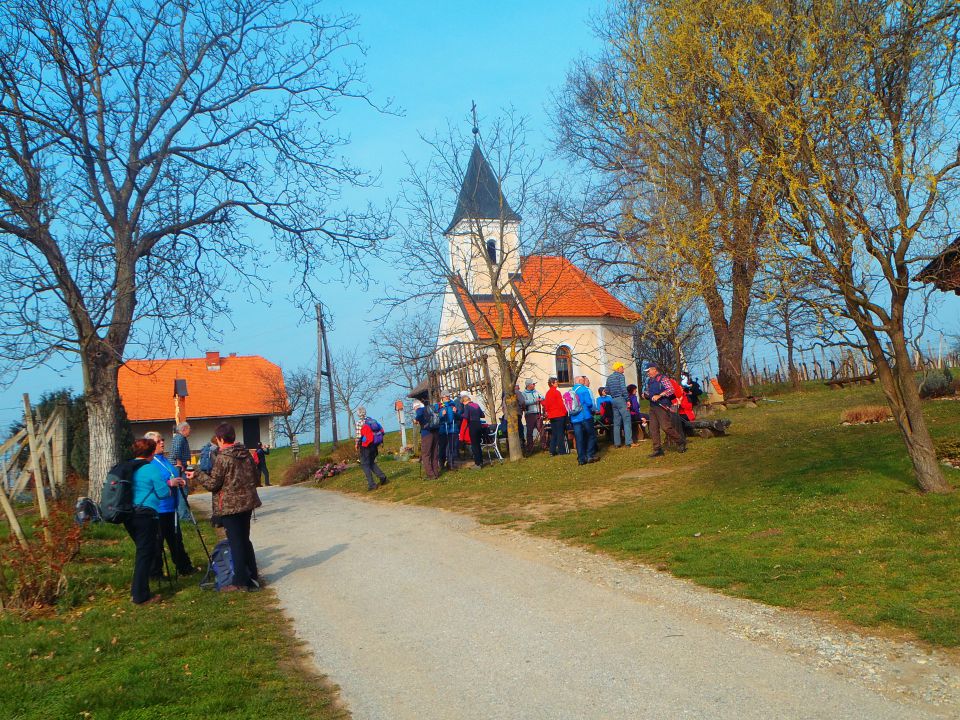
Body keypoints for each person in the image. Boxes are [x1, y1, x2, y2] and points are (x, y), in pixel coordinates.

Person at [187, 423, 262, 591]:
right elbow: (256, 476)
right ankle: (253, 575)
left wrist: (197, 473)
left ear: (221, 439)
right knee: (244, 540)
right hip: (247, 503)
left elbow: (213, 484)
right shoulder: (246, 454)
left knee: (236, 543)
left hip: (230, 506)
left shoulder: (223, 458)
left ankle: (240, 581)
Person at [124, 438, 182, 604]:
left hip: (128, 514)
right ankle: (140, 595)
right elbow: (163, 493)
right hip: (145, 514)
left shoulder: (128, 467)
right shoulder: (150, 469)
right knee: (145, 554)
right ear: (150, 453)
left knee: (142, 552)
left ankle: (138, 590)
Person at [144, 432, 194, 578]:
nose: (162, 443)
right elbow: (149, 484)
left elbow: (171, 474)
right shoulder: (149, 462)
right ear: (150, 444)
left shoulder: (163, 459)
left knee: (176, 539)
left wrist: (178, 480)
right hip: (158, 508)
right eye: (158, 441)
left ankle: (184, 567)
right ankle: (156, 573)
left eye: (162, 439)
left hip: (171, 507)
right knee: (157, 542)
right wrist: (168, 483)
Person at [643, 364, 687, 458]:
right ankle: (657, 449)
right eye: (647, 372)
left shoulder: (663, 378)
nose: (647, 373)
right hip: (652, 407)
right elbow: (648, 392)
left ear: (654, 370)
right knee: (653, 429)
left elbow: (671, 390)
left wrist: (660, 395)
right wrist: (645, 394)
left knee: (666, 427)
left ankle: (680, 442)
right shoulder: (650, 381)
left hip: (662, 406)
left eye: (648, 371)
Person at [355, 406, 388, 490]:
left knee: (365, 464)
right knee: (371, 462)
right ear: (365, 412)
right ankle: (382, 477)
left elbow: (359, 436)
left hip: (365, 446)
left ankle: (372, 485)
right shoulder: (371, 420)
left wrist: (356, 444)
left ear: (358, 414)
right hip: (374, 444)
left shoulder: (359, 423)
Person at [570, 376, 599, 465]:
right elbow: (589, 403)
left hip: (575, 418)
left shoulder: (571, 390)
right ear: (579, 381)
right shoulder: (583, 389)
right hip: (585, 416)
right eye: (583, 380)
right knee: (591, 435)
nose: (584, 381)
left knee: (579, 438)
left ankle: (581, 459)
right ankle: (589, 455)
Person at [605, 362, 632, 449]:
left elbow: (606, 391)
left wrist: (613, 392)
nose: (623, 369)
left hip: (613, 400)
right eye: (622, 367)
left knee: (616, 422)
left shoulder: (609, 378)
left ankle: (617, 443)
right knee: (627, 420)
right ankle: (629, 442)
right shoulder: (620, 376)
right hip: (621, 399)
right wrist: (627, 399)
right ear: (617, 369)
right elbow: (623, 388)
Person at [414, 397, 440, 479]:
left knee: (426, 454)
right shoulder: (430, 408)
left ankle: (430, 475)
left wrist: (415, 419)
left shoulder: (419, 410)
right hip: (435, 432)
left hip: (426, 433)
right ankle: (436, 472)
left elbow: (419, 415)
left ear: (416, 406)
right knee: (434, 453)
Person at [542, 376, 569, 456]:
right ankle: (561, 451)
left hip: (552, 416)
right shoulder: (556, 392)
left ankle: (552, 450)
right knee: (560, 433)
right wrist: (565, 412)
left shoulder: (547, 393)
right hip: (559, 414)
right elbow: (561, 404)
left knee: (554, 433)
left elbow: (546, 405)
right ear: (552, 383)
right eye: (556, 382)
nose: (557, 383)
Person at [461, 393, 485, 469]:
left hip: (473, 425)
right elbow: (482, 415)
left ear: (464, 401)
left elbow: (466, 416)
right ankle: (481, 461)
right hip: (479, 424)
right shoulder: (476, 405)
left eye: (463, 403)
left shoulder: (467, 407)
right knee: (478, 444)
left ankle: (477, 464)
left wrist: (459, 414)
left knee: (474, 445)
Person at [438, 392, 460, 470]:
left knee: (452, 447)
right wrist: (441, 415)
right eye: (445, 396)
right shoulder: (439, 406)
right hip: (443, 429)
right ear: (442, 397)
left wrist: (456, 412)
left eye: (448, 396)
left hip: (452, 429)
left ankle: (451, 463)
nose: (447, 398)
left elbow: (459, 416)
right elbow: (436, 418)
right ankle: (441, 463)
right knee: (442, 447)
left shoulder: (453, 404)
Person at [519, 379, 543, 452]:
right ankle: (530, 447)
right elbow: (524, 402)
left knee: (541, 429)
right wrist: (534, 400)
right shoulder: (523, 393)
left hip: (538, 413)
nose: (534, 385)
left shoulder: (536, 391)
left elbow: (542, 397)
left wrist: (540, 398)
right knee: (530, 431)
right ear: (529, 385)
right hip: (529, 414)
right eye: (533, 384)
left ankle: (544, 446)